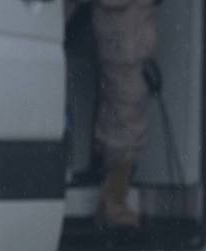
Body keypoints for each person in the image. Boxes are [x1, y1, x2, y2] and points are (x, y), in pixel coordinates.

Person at [84, 0, 158, 229]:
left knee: (119, 118)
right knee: (126, 123)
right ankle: (114, 204)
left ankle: (112, 201)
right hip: (126, 40)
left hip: (127, 37)